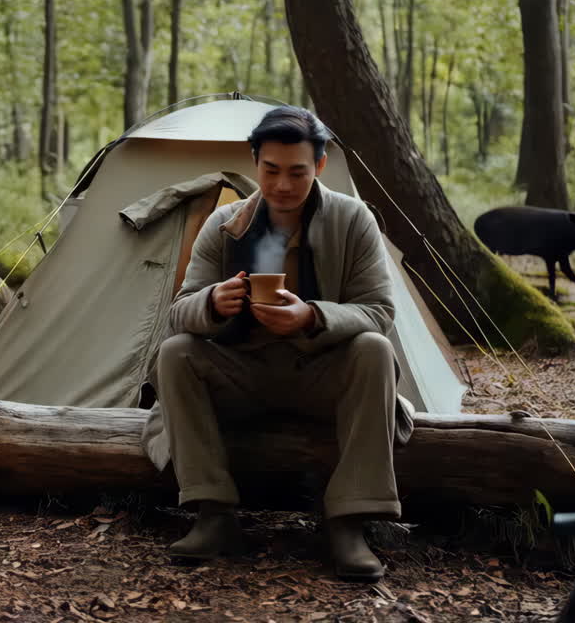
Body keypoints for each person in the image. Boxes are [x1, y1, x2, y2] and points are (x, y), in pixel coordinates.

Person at [139, 105, 413, 582]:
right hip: (242, 374)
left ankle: (349, 521)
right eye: (271, 170)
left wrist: (312, 316)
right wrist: (212, 302)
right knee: (175, 353)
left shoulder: (353, 220)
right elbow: (179, 312)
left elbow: (378, 311)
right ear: (254, 162)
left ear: (320, 166)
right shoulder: (225, 223)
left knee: (375, 349)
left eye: (297, 172)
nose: (283, 185)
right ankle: (213, 512)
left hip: (320, 372)